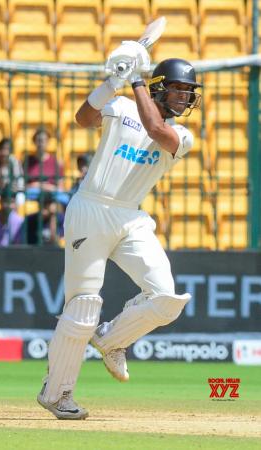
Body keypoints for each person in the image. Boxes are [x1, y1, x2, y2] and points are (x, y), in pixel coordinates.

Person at [36, 41, 202, 420]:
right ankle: (56, 392)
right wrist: (113, 82)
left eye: (188, 92)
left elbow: (157, 131)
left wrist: (137, 80)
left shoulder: (183, 136)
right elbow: (83, 118)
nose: (185, 97)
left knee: (166, 298)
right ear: (162, 87)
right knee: (82, 306)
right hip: (90, 209)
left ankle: (112, 340)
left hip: (131, 217)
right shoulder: (124, 106)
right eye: (178, 89)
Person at [23, 127, 65, 193]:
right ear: (34, 142)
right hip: (32, 195)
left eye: (43, 140)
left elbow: (60, 188)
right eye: (38, 140)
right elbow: (23, 185)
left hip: (51, 195)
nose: (41, 143)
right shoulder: (27, 161)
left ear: (48, 142)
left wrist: (42, 186)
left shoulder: (55, 162)